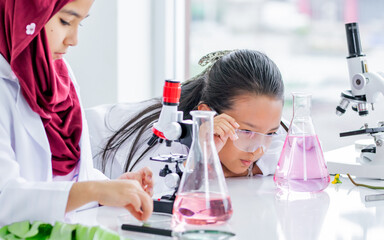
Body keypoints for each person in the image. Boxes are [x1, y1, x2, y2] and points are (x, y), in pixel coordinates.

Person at [0, 0, 153, 226]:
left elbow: (61, 181)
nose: (73, 40)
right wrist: (93, 190)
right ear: (27, 13)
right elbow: (5, 199)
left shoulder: (59, 77)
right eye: (65, 21)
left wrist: (111, 188)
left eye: (79, 24)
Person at [86, 49, 287, 195]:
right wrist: (202, 156)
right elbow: (158, 192)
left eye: (269, 133)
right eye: (246, 132)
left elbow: (298, 149)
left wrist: (227, 169)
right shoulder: (167, 140)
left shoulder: (257, 122)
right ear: (206, 116)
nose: (258, 150)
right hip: (66, 142)